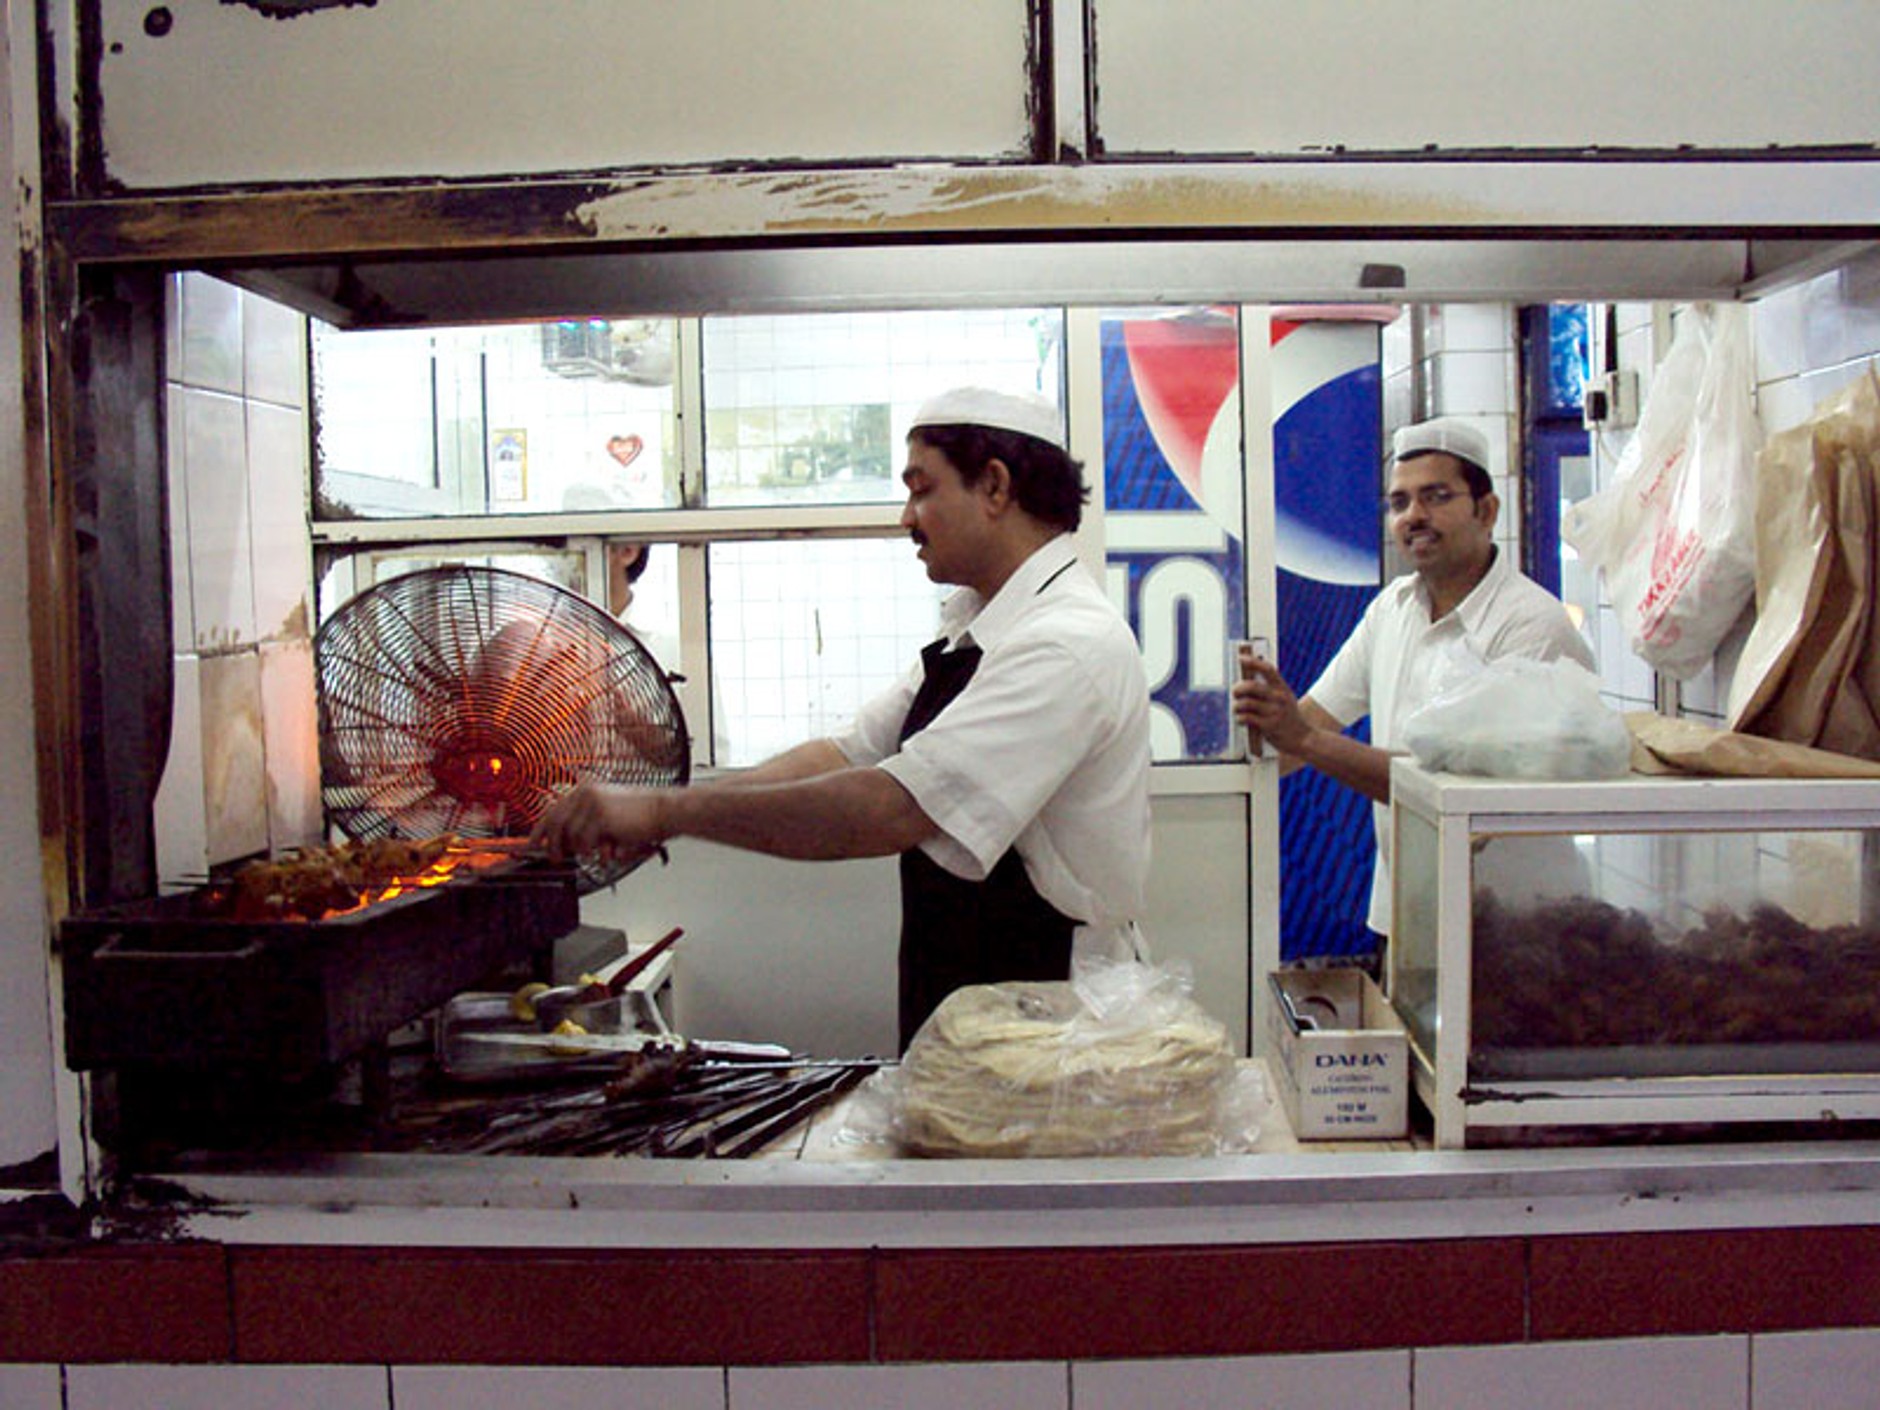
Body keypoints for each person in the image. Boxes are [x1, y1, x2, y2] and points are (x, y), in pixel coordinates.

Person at [531, 387, 1154, 1047]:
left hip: (1053, 1018)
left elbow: (892, 807)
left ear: (995, 487)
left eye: (922, 489)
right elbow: (847, 754)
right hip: (974, 995)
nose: (907, 517)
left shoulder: (1064, 644)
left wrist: (661, 815)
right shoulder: (975, 626)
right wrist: (674, 805)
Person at [1231, 417, 1595, 955]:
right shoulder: (1393, 609)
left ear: (1486, 510)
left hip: (1518, 924)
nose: (1414, 517)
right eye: (1399, 503)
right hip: (1407, 911)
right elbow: (1312, 721)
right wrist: (1231, 769)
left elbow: (1454, 798)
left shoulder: (1530, 627)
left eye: (1436, 496)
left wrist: (1302, 741)